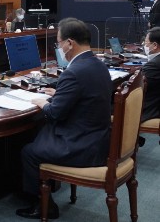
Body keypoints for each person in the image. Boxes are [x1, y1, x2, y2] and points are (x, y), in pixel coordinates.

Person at [16, 18, 112, 220]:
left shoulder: (74, 72)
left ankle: (44, 205)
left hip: (81, 145)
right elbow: (84, 94)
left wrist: (42, 101)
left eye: (59, 43)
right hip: (99, 138)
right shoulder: (98, 64)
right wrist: (59, 92)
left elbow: (54, 114)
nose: (58, 47)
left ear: (69, 43)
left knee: (29, 151)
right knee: (40, 135)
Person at [137, 27, 160, 147]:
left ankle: (127, 142)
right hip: (156, 101)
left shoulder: (154, 65)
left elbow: (136, 87)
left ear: (154, 45)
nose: (144, 46)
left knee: (109, 106)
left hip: (150, 107)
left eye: (146, 43)